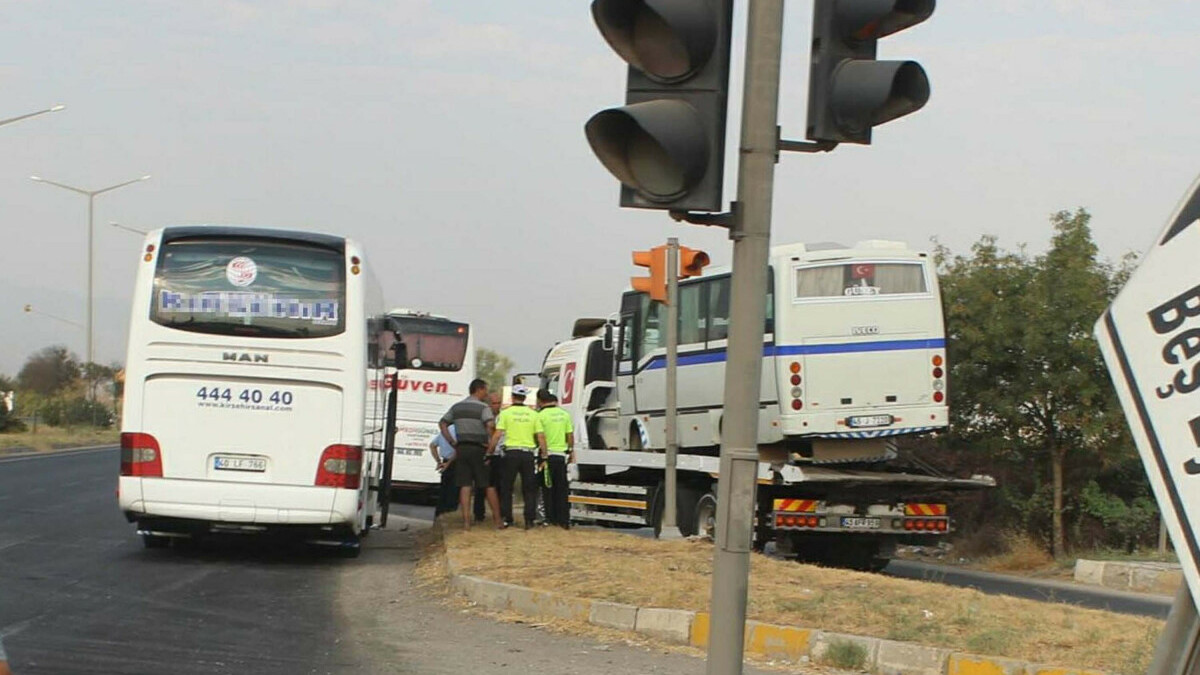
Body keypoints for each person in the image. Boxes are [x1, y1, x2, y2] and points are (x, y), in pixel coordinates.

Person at [439, 379, 502, 530]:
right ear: (479, 389)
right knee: (488, 484)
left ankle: (466, 522)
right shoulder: (483, 408)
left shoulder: (457, 407)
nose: (486, 393)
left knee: (465, 485)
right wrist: (490, 444)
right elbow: (490, 425)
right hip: (479, 448)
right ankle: (498, 520)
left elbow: (442, 423)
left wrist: (452, 442)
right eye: (485, 390)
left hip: (462, 449)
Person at [490, 384, 544, 529]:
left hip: (511, 454)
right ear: (525, 397)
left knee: (507, 487)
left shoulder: (505, 413)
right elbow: (540, 436)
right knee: (529, 488)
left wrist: (489, 451)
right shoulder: (534, 414)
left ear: (512, 397)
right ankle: (529, 521)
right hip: (528, 454)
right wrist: (543, 454)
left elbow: (497, 435)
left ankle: (507, 518)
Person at [537, 390, 575, 528]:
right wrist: (570, 451)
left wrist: (543, 455)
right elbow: (570, 436)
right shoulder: (565, 415)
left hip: (547, 457)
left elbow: (539, 437)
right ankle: (564, 520)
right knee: (562, 489)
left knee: (547, 488)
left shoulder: (540, 415)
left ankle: (550, 518)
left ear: (540, 401)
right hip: (561, 456)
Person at [474, 393, 509, 525]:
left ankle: (501, 514)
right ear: (489, 404)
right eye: (494, 403)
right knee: (481, 485)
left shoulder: (503, 416)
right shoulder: (483, 417)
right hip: (485, 452)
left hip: (499, 454)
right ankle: (479, 514)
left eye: (499, 403)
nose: (497, 406)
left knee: (500, 485)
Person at [428, 424, 458, 517]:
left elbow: (432, 445)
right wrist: (448, 464)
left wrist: (438, 461)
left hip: (445, 461)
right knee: (453, 491)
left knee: (443, 491)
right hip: (455, 462)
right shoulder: (459, 430)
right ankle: (449, 512)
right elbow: (458, 450)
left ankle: (439, 514)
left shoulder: (445, 431)